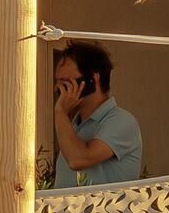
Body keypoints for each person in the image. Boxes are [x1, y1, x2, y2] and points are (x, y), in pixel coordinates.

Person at [49, 41, 142, 186]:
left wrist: (60, 112)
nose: (58, 88)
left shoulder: (122, 121)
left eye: (66, 81)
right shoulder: (73, 125)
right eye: (58, 81)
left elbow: (77, 160)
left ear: (93, 79)